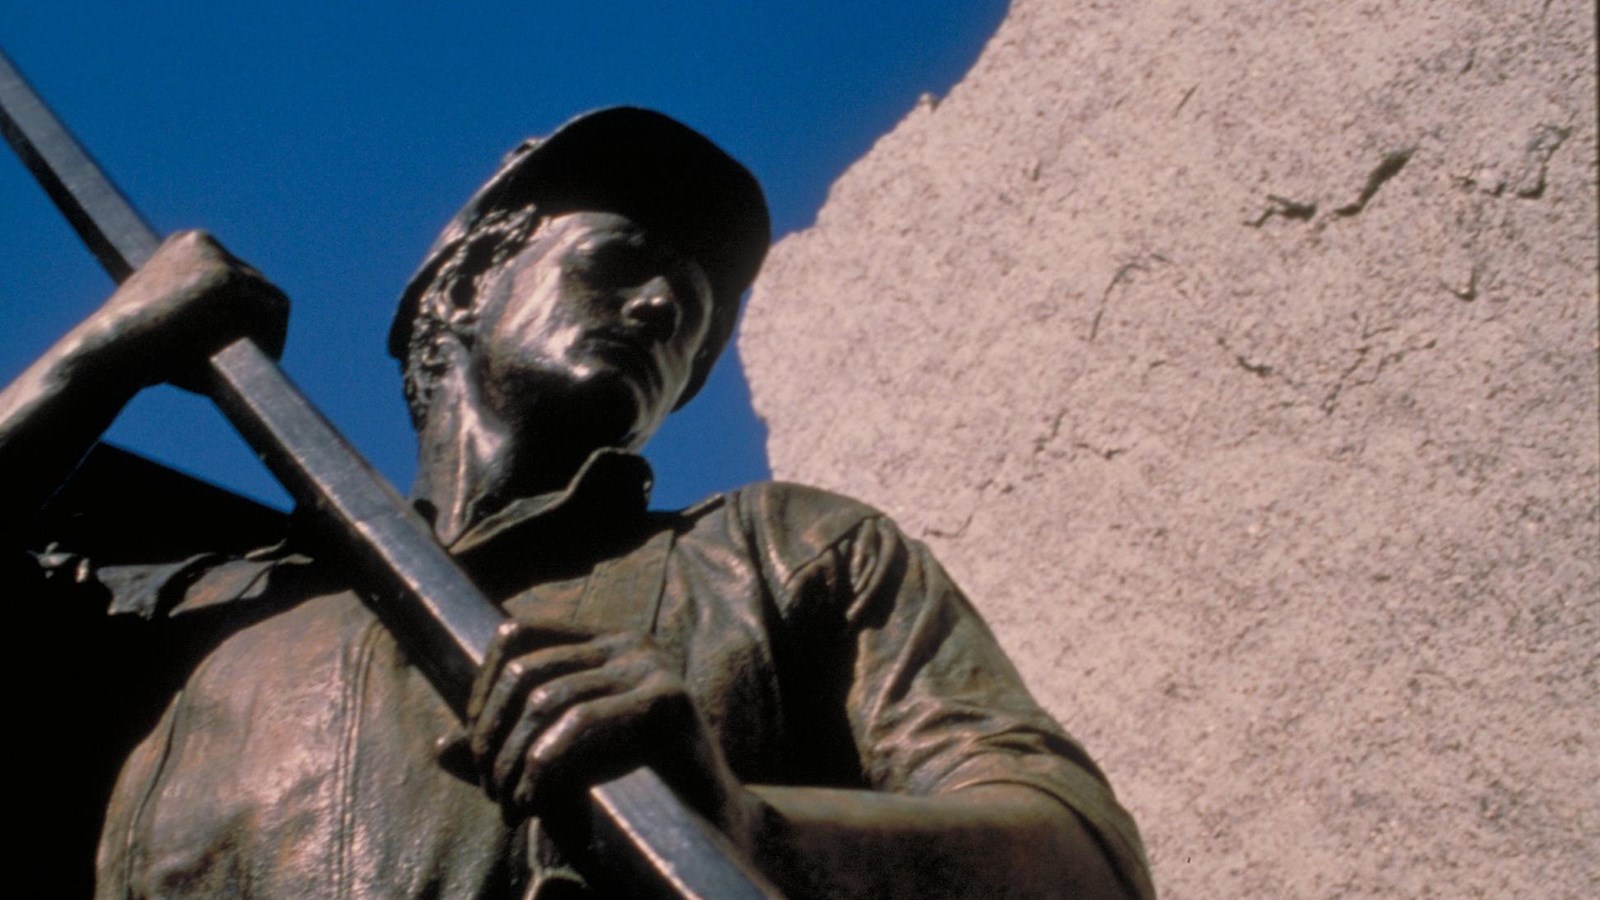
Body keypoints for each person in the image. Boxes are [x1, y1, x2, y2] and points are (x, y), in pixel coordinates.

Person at [1, 108, 1154, 899]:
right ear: (463, 282)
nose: (667, 310)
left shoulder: (784, 551)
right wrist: (90, 365)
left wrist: (750, 827)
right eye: (625, 258)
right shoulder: (196, 625)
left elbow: (1081, 862)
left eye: (697, 311)